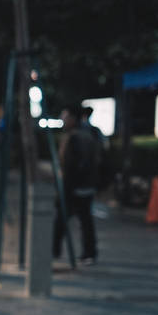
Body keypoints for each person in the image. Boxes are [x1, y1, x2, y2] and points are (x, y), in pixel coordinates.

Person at [53, 104, 99, 265]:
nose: (62, 119)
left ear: (73, 118)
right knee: (84, 221)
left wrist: (66, 187)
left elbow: (72, 166)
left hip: (75, 187)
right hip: (84, 186)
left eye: (64, 116)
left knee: (64, 220)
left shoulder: (75, 137)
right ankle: (89, 253)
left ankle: (56, 250)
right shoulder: (87, 134)